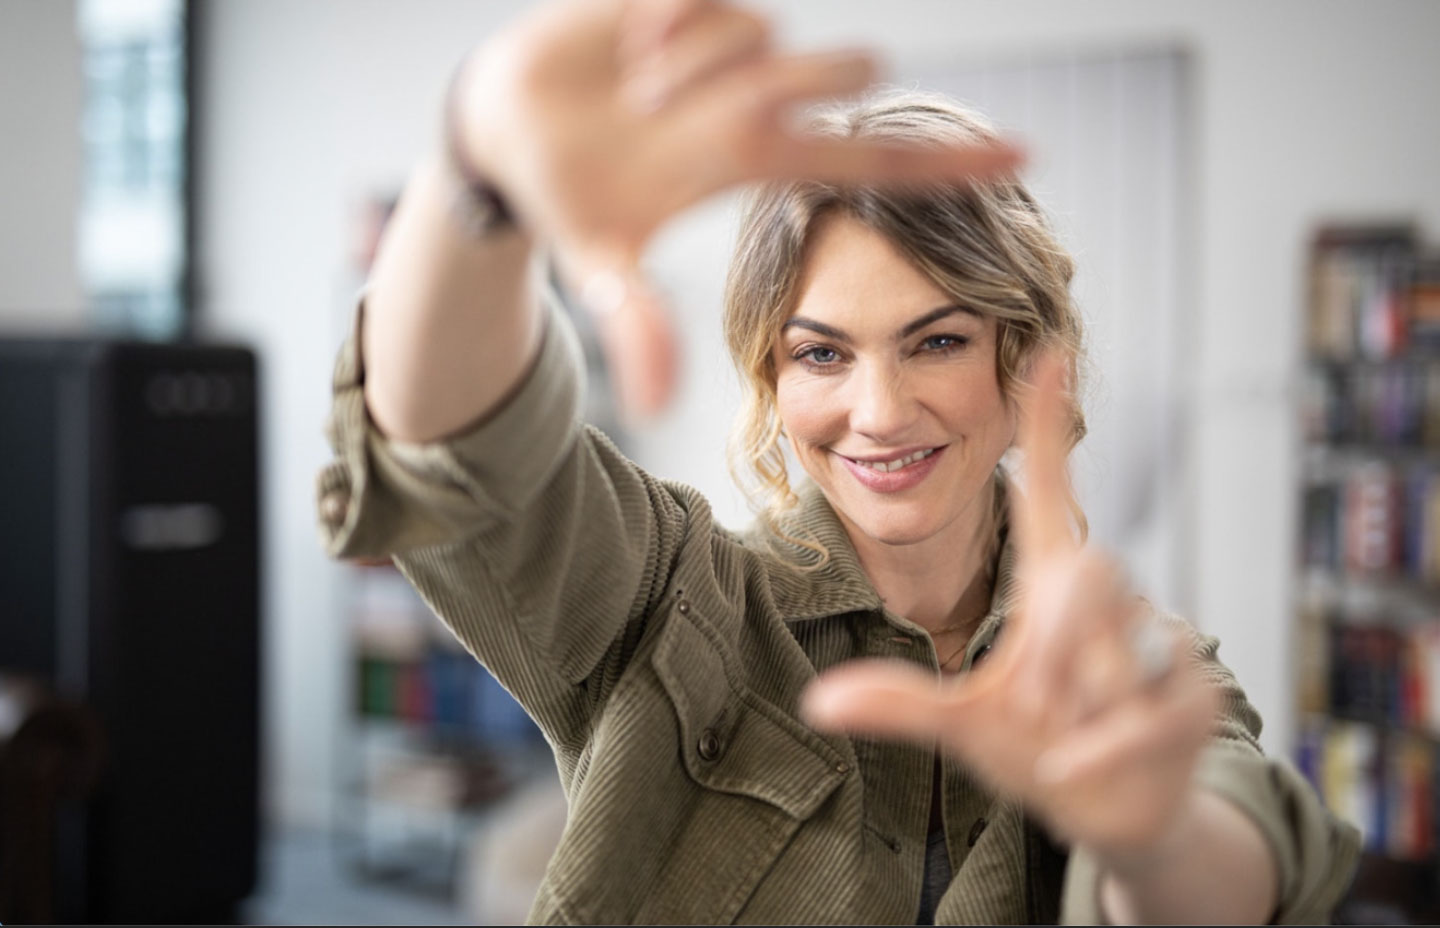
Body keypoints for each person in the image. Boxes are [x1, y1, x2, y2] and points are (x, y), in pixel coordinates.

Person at [316, 0, 1359, 922]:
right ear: (772, 385)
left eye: (936, 341)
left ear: (1030, 367)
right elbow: (454, 451)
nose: (879, 410)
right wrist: (478, 180)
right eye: (821, 353)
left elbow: (1243, 864)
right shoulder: (672, 603)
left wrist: (1149, 839)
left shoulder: (1130, 672)